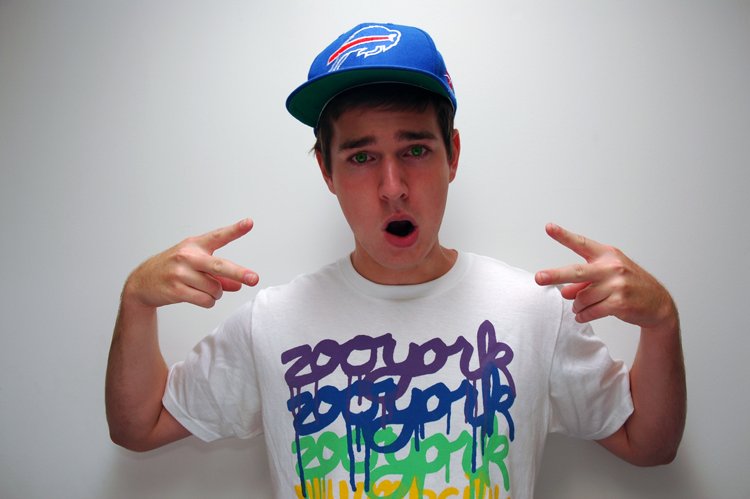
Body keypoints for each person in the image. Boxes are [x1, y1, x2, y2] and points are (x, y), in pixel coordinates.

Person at [105, 22, 686, 499]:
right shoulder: (272, 323)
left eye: (415, 150)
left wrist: (661, 322)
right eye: (361, 158)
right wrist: (136, 300)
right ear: (326, 170)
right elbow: (139, 426)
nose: (392, 187)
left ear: (452, 155)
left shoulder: (532, 312)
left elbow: (649, 444)